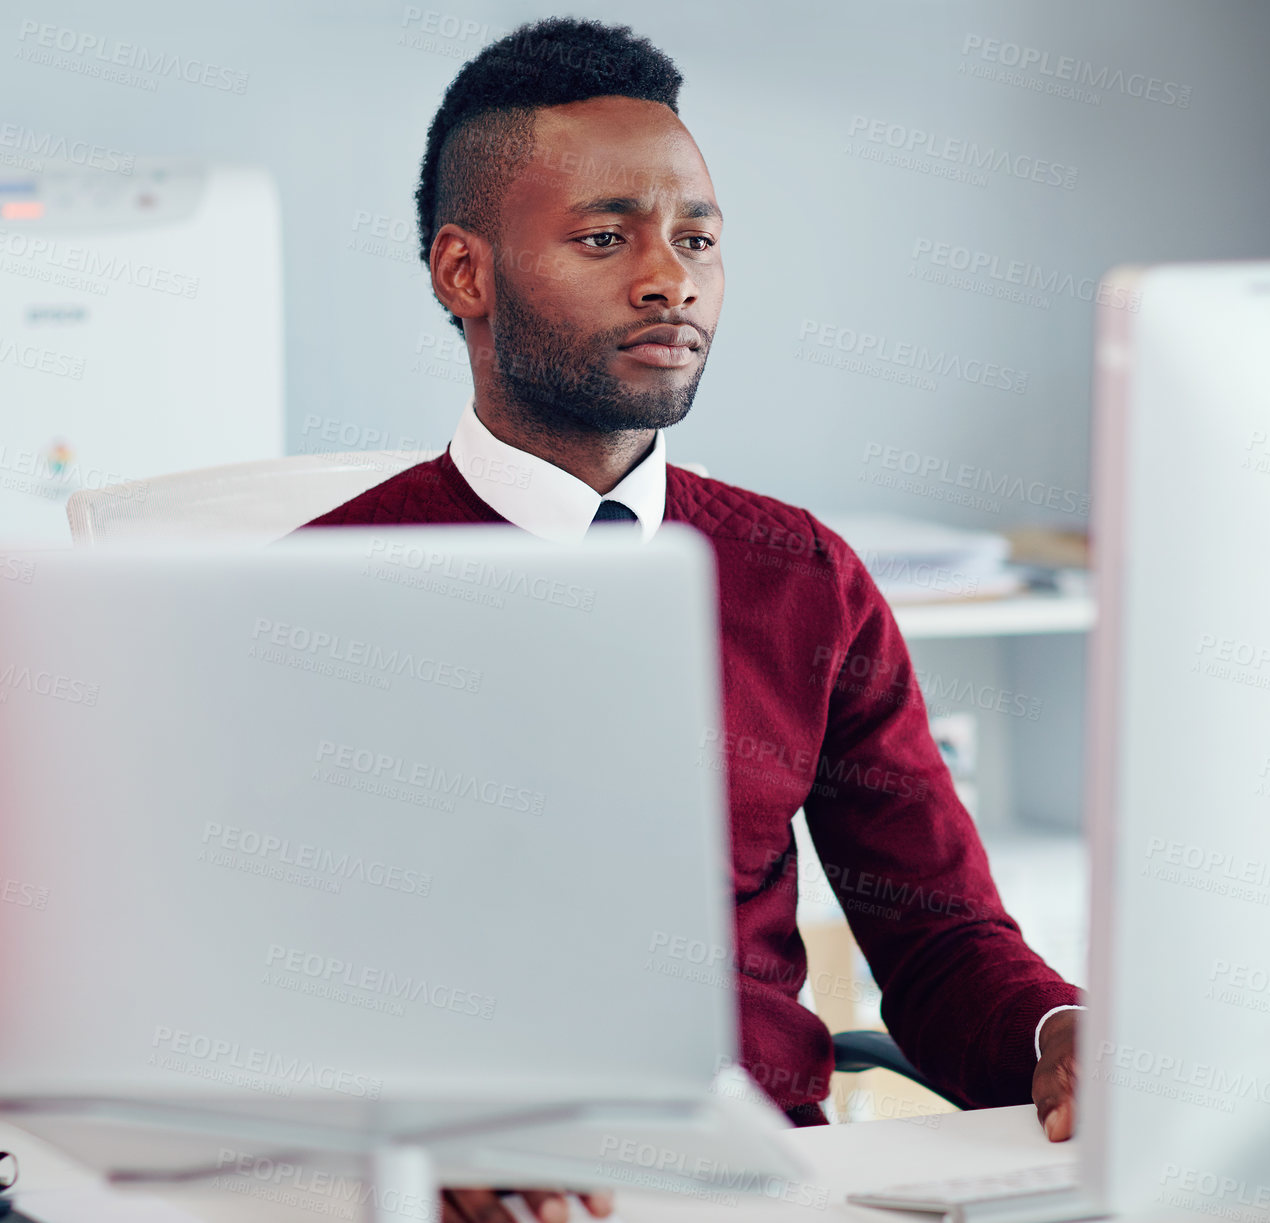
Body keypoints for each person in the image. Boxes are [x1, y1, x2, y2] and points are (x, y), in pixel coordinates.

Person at [301, 17, 1083, 1222]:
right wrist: (410, 1121)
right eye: (604, 237)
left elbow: (936, 941)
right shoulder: (323, 590)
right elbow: (268, 983)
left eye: (697, 238)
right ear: (466, 274)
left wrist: (1055, 1030)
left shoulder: (802, 576)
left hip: (767, 1188)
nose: (670, 278)